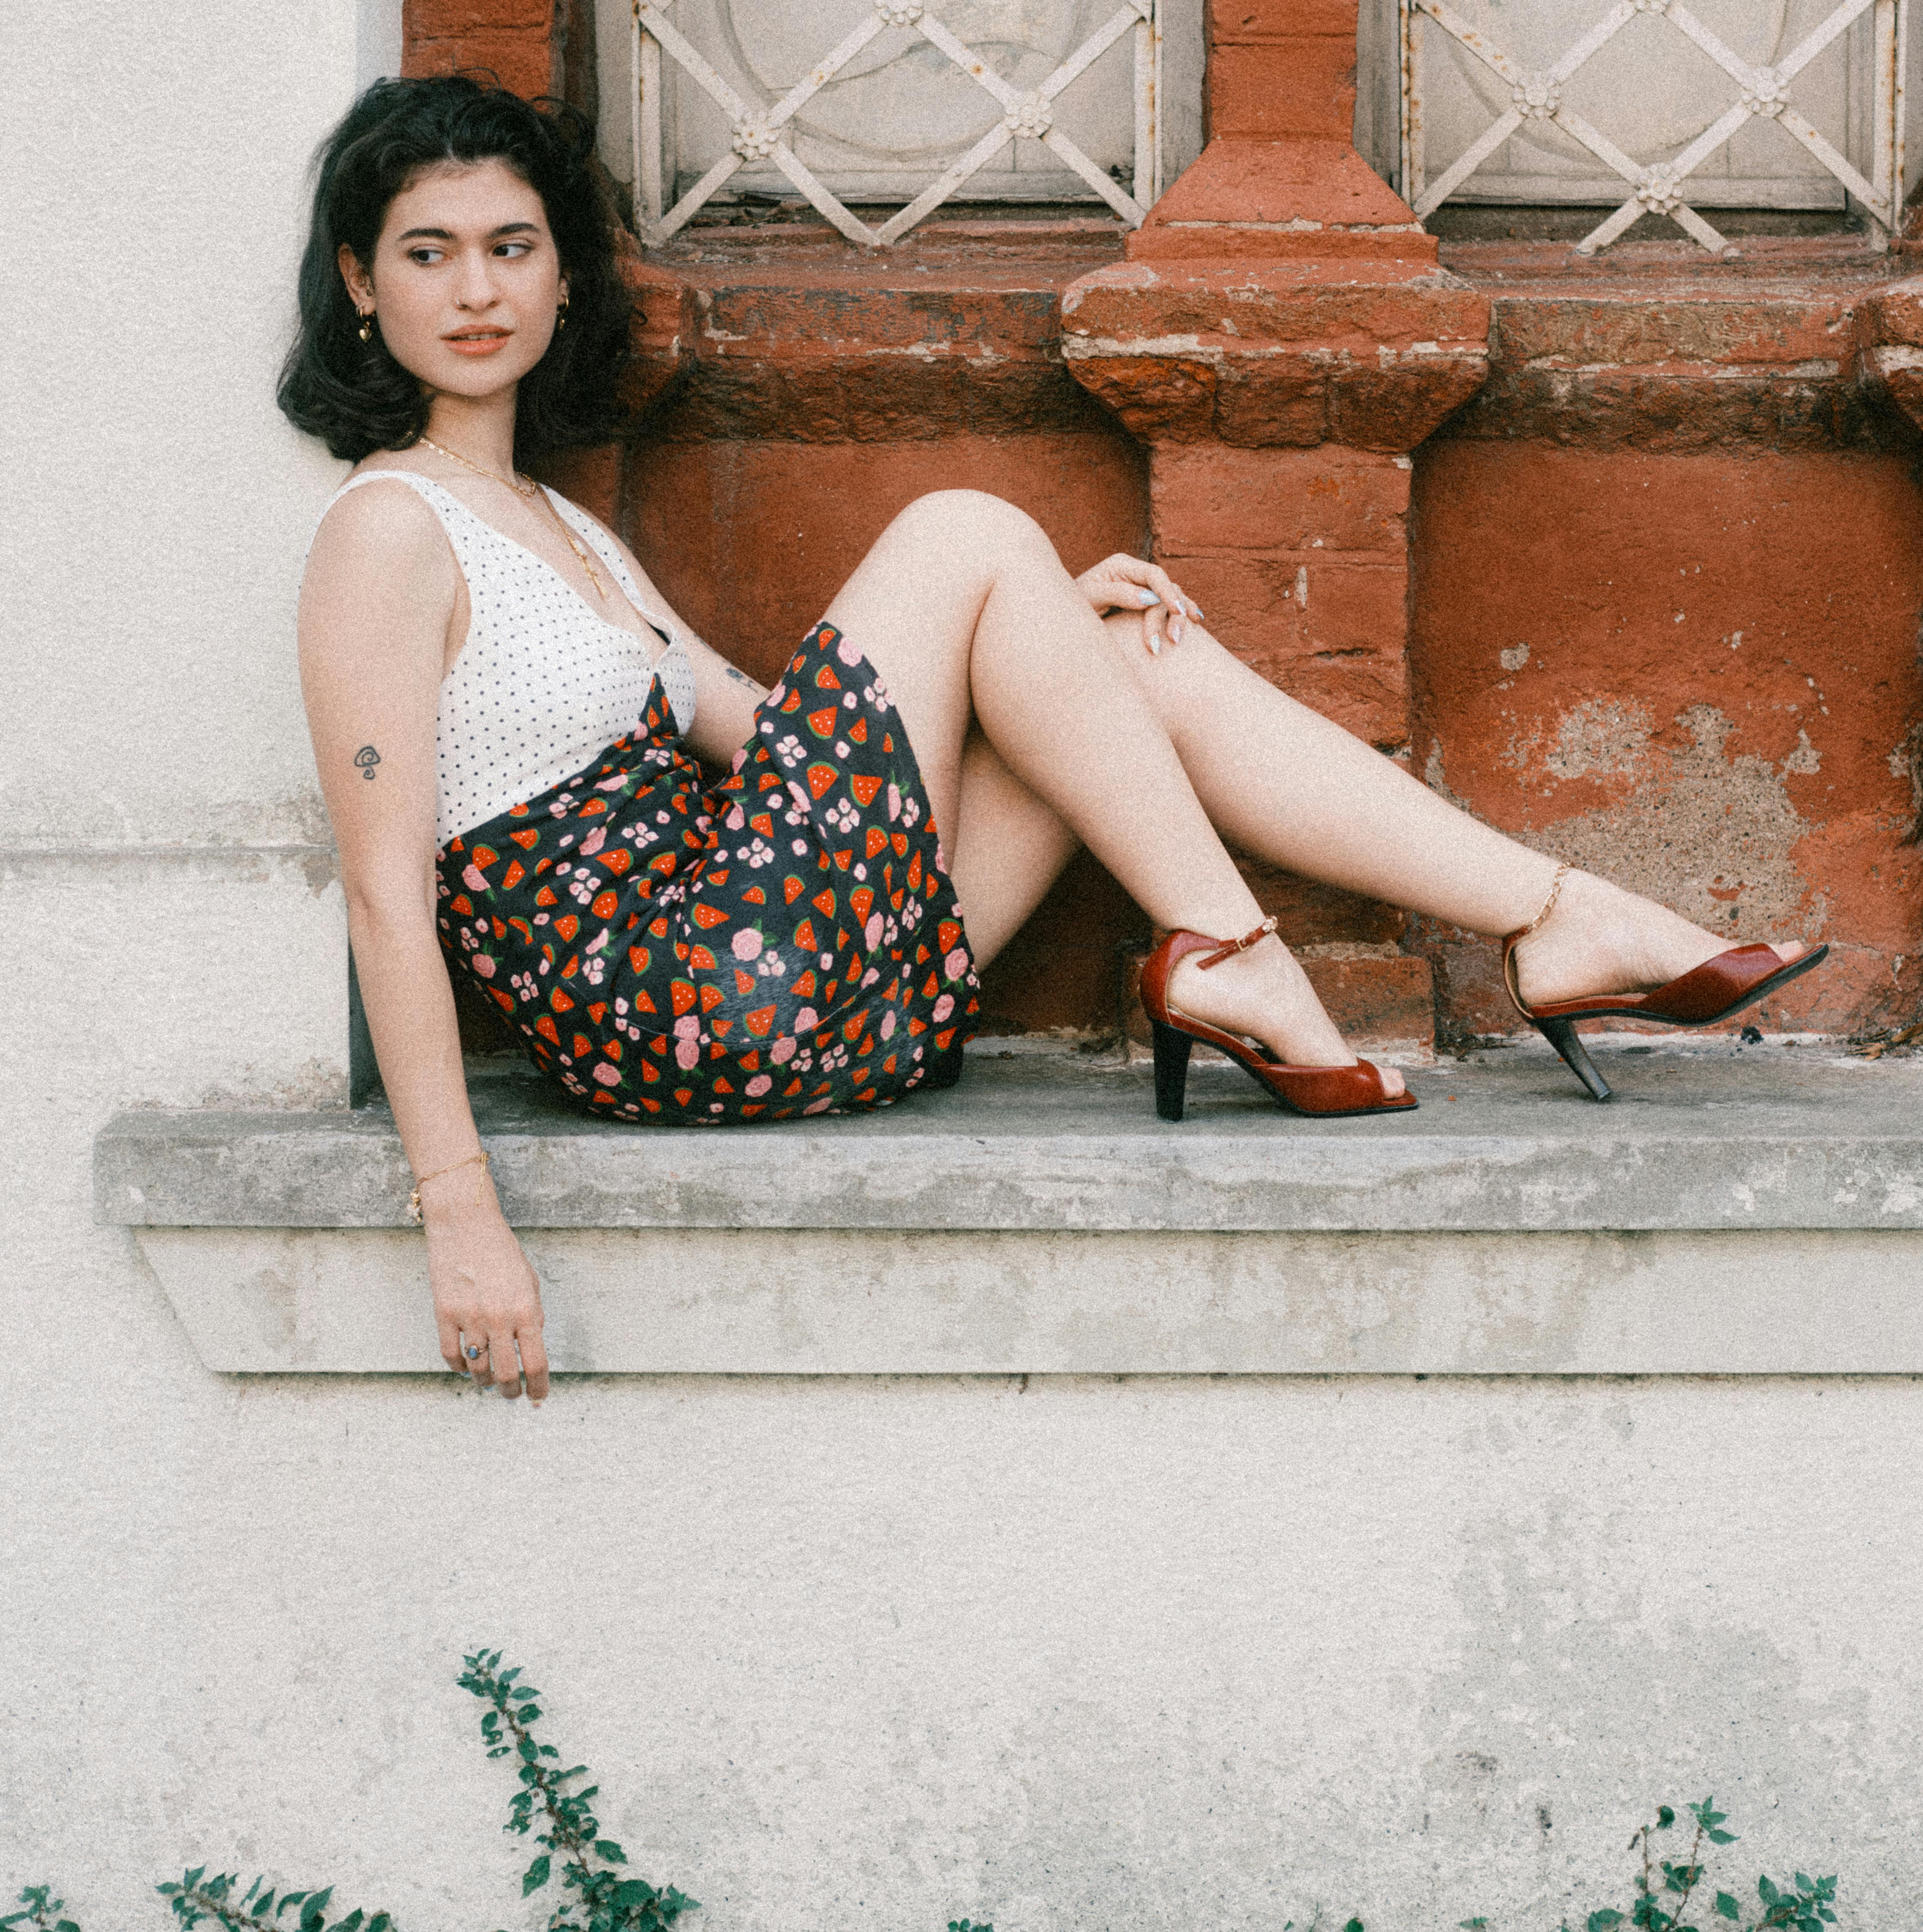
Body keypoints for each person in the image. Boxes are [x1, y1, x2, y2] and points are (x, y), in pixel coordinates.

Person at [287, 75, 1824, 1405]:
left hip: (811, 1006)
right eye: (430, 255)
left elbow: (765, 741)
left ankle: (1553, 920)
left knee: (1110, 650)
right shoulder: (388, 530)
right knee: (963, 525)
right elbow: (379, 897)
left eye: (511, 248)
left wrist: (1028, 637)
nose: (477, 290)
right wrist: (459, 1212)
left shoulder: (560, 530)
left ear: (561, 283)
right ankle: (1234, 945)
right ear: (363, 282)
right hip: (687, 1012)